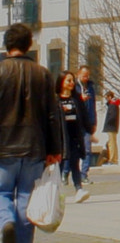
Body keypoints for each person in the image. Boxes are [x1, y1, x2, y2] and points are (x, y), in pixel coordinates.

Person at [0, 22, 62, 243]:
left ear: (7, 44)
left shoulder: (1, 70)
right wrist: (55, 149)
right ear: (28, 45)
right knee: (28, 198)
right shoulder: (43, 74)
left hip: (4, 148)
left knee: (2, 193)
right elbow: (53, 115)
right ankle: (23, 240)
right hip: (35, 147)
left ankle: (6, 222)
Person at [56, 72, 90, 200]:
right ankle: (57, 191)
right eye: (68, 80)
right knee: (59, 165)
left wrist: (89, 130)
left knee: (74, 163)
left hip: (74, 135)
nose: (71, 83)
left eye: (72, 81)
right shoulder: (56, 99)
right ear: (61, 82)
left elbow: (84, 116)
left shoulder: (76, 99)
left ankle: (79, 189)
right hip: (60, 137)